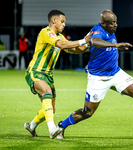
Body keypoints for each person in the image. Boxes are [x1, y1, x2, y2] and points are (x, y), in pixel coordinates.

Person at [56, 10, 133, 139]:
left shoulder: (111, 30)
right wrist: (115, 45)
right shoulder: (97, 30)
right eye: (112, 23)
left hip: (116, 73)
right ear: (103, 23)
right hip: (98, 78)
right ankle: (61, 126)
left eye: (115, 22)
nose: (115, 25)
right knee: (88, 112)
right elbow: (94, 41)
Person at [24, 9, 92, 139]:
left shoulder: (60, 37)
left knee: (51, 109)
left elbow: (76, 49)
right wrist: (83, 40)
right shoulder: (46, 32)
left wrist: (90, 42)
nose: (64, 24)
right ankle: (52, 130)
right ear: (54, 21)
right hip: (36, 71)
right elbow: (61, 44)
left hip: (48, 75)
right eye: (62, 21)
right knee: (46, 91)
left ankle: (31, 126)